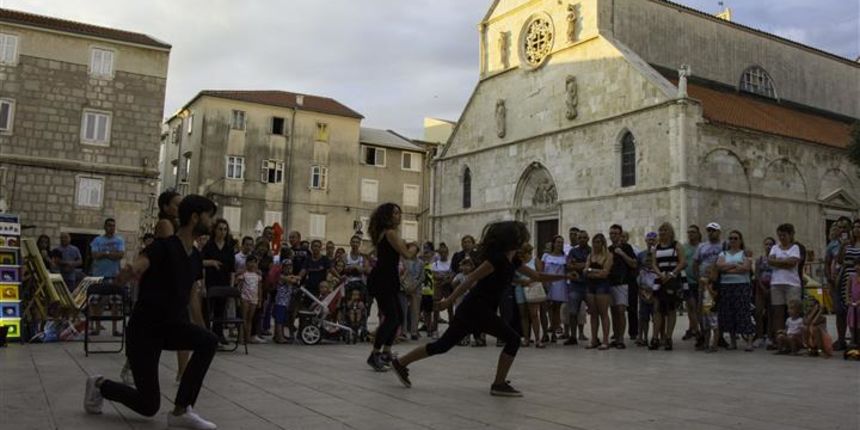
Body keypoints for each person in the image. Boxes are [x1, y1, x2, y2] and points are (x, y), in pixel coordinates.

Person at [389, 221, 573, 397]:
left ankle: (400, 362)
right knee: (513, 339)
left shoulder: (513, 260)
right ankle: (499, 384)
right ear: (512, 239)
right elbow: (470, 279)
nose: (525, 239)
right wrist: (449, 300)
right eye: (522, 236)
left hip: (478, 310)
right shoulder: (496, 259)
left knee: (442, 346)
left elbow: (537, 276)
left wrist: (564, 277)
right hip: (476, 308)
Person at [84, 195, 219, 429]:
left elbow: (192, 297)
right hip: (145, 330)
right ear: (195, 218)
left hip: (172, 327)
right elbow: (143, 261)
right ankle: (100, 385)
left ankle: (181, 411)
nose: (212, 222)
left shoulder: (196, 257)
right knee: (148, 405)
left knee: (209, 341)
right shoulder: (164, 246)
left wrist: (202, 328)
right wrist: (131, 270)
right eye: (209, 216)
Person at [366, 203, 417, 371]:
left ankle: (386, 352)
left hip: (387, 278)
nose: (398, 216)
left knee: (398, 317)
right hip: (384, 279)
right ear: (387, 216)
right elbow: (407, 255)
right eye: (395, 213)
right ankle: (375, 354)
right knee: (392, 317)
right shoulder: (390, 233)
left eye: (399, 213)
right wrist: (415, 246)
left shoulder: (387, 233)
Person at [715, 230, 754, 351]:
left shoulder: (745, 253)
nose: (733, 240)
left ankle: (749, 341)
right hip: (726, 285)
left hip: (742, 285)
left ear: (740, 240)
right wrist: (736, 265)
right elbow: (719, 267)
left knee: (743, 312)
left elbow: (746, 268)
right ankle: (733, 342)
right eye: (731, 238)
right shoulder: (723, 254)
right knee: (729, 312)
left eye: (735, 238)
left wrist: (728, 268)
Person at [652, 222, 687, 351]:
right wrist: (660, 274)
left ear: (671, 232)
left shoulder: (676, 245)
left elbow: (682, 262)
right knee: (657, 309)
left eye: (665, 230)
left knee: (671, 309)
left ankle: (668, 338)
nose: (662, 232)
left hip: (673, 279)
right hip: (660, 280)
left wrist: (672, 274)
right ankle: (655, 337)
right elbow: (654, 264)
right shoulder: (656, 247)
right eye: (661, 230)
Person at [89, 218, 126, 337]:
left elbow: (120, 255)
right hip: (99, 275)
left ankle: (115, 329)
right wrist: (111, 254)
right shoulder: (97, 240)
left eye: (113, 226)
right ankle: (97, 327)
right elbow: (95, 255)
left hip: (114, 275)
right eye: (109, 225)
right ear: (105, 227)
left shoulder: (119, 240)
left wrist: (104, 254)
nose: (111, 228)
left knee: (115, 302)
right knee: (96, 302)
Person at [202, 219, 236, 346]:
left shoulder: (229, 248)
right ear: (215, 230)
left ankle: (218, 334)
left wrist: (231, 286)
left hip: (224, 282)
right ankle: (206, 335)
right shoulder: (209, 246)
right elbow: (201, 263)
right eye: (220, 229)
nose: (222, 232)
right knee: (207, 311)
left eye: (225, 229)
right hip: (210, 282)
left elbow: (232, 269)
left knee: (220, 311)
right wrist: (203, 285)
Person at [768, 223, 802, 337]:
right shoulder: (774, 248)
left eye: (784, 235)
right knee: (778, 312)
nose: (782, 238)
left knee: (794, 311)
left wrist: (777, 262)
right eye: (780, 235)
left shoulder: (795, 248)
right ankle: (779, 337)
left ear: (790, 235)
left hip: (792, 284)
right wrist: (785, 262)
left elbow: (792, 263)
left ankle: (794, 337)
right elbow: (770, 261)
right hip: (776, 283)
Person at [693, 222, 724, 349]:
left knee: (718, 309)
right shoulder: (702, 246)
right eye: (709, 230)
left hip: (719, 281)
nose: (711, 233)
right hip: (703, 281)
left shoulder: (723, 246)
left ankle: (719, 337)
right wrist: (697, 278)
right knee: (703, 309)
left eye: (713, 230)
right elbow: (695, 263)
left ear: (719, 232)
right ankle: (704, 335)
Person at [608, 224, 637, 349]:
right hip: (610, 283)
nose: (613, 236)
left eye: (616, 233)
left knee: (620, 310)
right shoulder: (608, 249)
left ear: (620, 235)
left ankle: (621, 339)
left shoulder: (627, 247)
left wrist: (622, 254)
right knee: (614, 311)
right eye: (611, 233)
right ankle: (616, 336)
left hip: (623, 283)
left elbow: (634, 264)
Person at [585, 233, 613, 350]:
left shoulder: (608, 256)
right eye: (594, 242)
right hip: (591, 285)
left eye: (598, 242)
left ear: (603, 243)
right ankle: (594, 339)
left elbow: (605, 273)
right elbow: (585, 271)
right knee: (593, 313)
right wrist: (596, 272)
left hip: (602, 285)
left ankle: (605, 340)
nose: (596, 245)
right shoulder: (590, 255)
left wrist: (592, 271)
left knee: (603, 313)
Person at [537, 235, 567, 343]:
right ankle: (545, 333)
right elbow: (541, 270)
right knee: (544, 309)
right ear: (553, 243)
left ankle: (554, 332)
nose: (560, 244)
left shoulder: (565, 257)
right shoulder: (546, 256)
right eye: (558, 242)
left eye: (561, 242)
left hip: (559, 285)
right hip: (547, 283)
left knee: (556, 309)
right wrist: (543, 282)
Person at [837, 219, 860, 348]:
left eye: (859, 227)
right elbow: (840, 261)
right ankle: (852, 339)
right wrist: (842, 246)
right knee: (849, 308)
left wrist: (852, 264)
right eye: (855, 227)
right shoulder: (848, 244)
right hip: (848, 278)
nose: (857, 229)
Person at [565, 230, 590, 345]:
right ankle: (573, 336)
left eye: (584, 237)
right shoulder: (573, 251)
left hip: (589, 285)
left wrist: (578, 265)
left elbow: (594, 264)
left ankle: (594, 337)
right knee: (573, 312)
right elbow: (569, 265)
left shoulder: (592, 251)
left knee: (594, 311)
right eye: (580, 238)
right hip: (575, 285)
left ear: (588, 239)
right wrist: (585, 265)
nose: (582, 240)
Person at [236, 256, 263, 345]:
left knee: (250, 319)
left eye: (254, 262)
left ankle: (247, 337)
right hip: (245, 298)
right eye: (250, 262)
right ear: (246, 263)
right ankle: (240, 337)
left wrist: (259, 300)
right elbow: (239, 286)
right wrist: (238, 298)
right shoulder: (244, 274)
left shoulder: (258, 276)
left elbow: (259, 289)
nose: (252, 264)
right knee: (243, 318)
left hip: (254, 299)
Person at [683, 225, 702, 346]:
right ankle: (695, 330)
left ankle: (695, 328)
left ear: (698, 234)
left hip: (700, 280)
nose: (690, 234)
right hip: (687, 281)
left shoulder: (702, 247)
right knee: (691, 306)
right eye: (689, 232)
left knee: (698, 307)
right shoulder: (684, 247)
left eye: (693, 232)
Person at [754, 237, 775, 349]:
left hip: (773, 287)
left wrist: (771, 287)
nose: (768, 246)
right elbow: (757, 274)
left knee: (771, 312)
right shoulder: (760, 259)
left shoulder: (776, 260)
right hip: (761, 287)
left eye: (771, 244)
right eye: (766, 244)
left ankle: (769, 336)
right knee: (758, 312)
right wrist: (761, 287)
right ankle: (759, 336)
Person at [273, 259, 299, 344]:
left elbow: (296, 279)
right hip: (280, 301)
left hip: (286, 302)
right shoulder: (281, 276)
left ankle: (278, 335)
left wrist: (295, 277)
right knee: (279, 320)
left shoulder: (289, 276)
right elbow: (292, 280)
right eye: (286, 267)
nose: (288, 268)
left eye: (290, 266)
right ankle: (279, 337)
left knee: (282, 319)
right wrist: (295, 277)